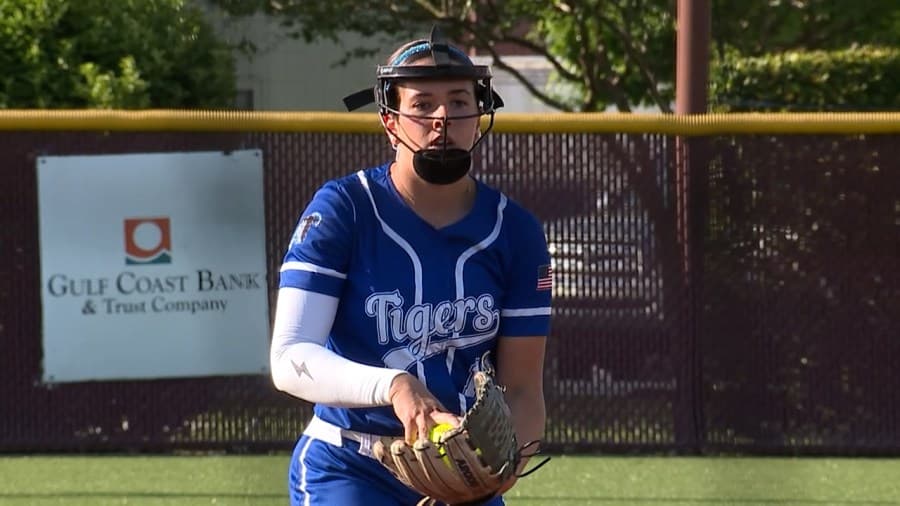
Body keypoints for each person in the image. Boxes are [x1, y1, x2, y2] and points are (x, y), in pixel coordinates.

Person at [269, 26, 552, 506]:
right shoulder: (344, 209)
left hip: (462, 471)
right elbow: (290, 357)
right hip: (352, 463)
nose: (443, 117)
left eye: (459, 101)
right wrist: (395, 386)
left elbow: (523, 388)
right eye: (422, 104)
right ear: (389, 120)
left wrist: (502, 471)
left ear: (479, 112)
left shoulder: (516, 230)